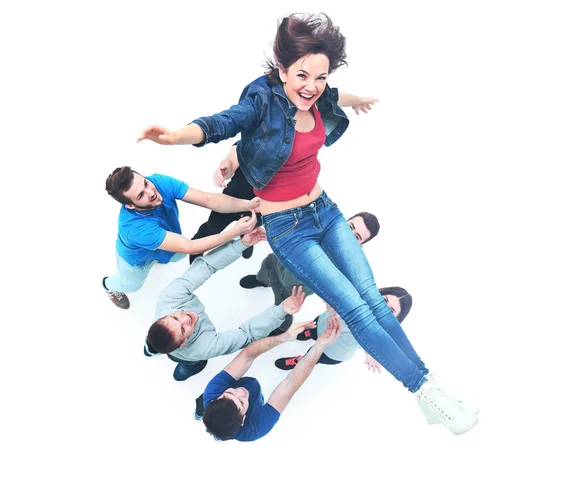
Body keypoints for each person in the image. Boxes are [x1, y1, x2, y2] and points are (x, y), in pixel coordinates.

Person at [137, 13, 478, 434]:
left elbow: (333, 96)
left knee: (370, 296)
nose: (311, 86)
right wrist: (175, 137)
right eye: (302, 75)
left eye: (320, 76)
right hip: (288, 228)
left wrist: (358, 100)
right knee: (354, 309)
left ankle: (431, 391)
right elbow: (223, 122)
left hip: (325, 209)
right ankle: (426, 392)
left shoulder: (316, 94)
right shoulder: (261, 101)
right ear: (281, 69)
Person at [144, 228, 307, 381]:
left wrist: (241, 244)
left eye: (175, 317)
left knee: (170, 344)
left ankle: (154, 349)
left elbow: (206, 265)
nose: (185, 318)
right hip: (190, 353)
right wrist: (281, 310)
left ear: (165, 315)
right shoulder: (203, 348)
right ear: (184, 342)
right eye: (182, 329)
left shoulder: (169, 297)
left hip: (174, 338)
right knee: (191, 360)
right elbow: (247, 333)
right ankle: (191, 365)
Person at [103, 166, 258, 309]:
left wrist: (247, 205)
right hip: (137, 261)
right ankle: (108, 285)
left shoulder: (158, 182)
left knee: (178, 256)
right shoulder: (135, 229)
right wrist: (234, 232)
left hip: (164, 242)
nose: (150, 192)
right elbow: (189, 247)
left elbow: (208, 200)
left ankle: (158, 256)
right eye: (140, 195)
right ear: (130, 205)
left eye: (145, 183)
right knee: (132, 285)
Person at [197, 315, 342, 442]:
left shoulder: (212, 392)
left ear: (217, 398)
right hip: (243, 412)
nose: (240, 391)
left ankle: (205, 413)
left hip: (218, 402)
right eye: (241, 402)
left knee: (205, 403)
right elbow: (289, 385)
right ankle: (218, 431)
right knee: (220, 428)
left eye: (229, 393)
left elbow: (247, 355)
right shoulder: (256, 427)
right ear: (242, 420)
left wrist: (285, 337)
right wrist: (319, 347)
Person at [239, 206, 380, 331]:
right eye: (350, 227)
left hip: (288, 292)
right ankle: (263, 281)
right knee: (265, 269)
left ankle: (283, 326)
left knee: (283, 313)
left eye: (356, 237)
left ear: (359, 246)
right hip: (274, 263)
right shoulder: (316, 223)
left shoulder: (345, 269)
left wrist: (335, 307)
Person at [274, 286, 410, 370]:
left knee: (311, 356)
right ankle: (310, 334)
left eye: (391, 310)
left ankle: (299, 360)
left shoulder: (380, 332)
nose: (382, 307)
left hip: (332, 351)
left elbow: (373, 345)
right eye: (384, 300)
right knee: (313, 330)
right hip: (321, 324)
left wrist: (371, 354)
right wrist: (331, 304)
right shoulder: (358, 297)